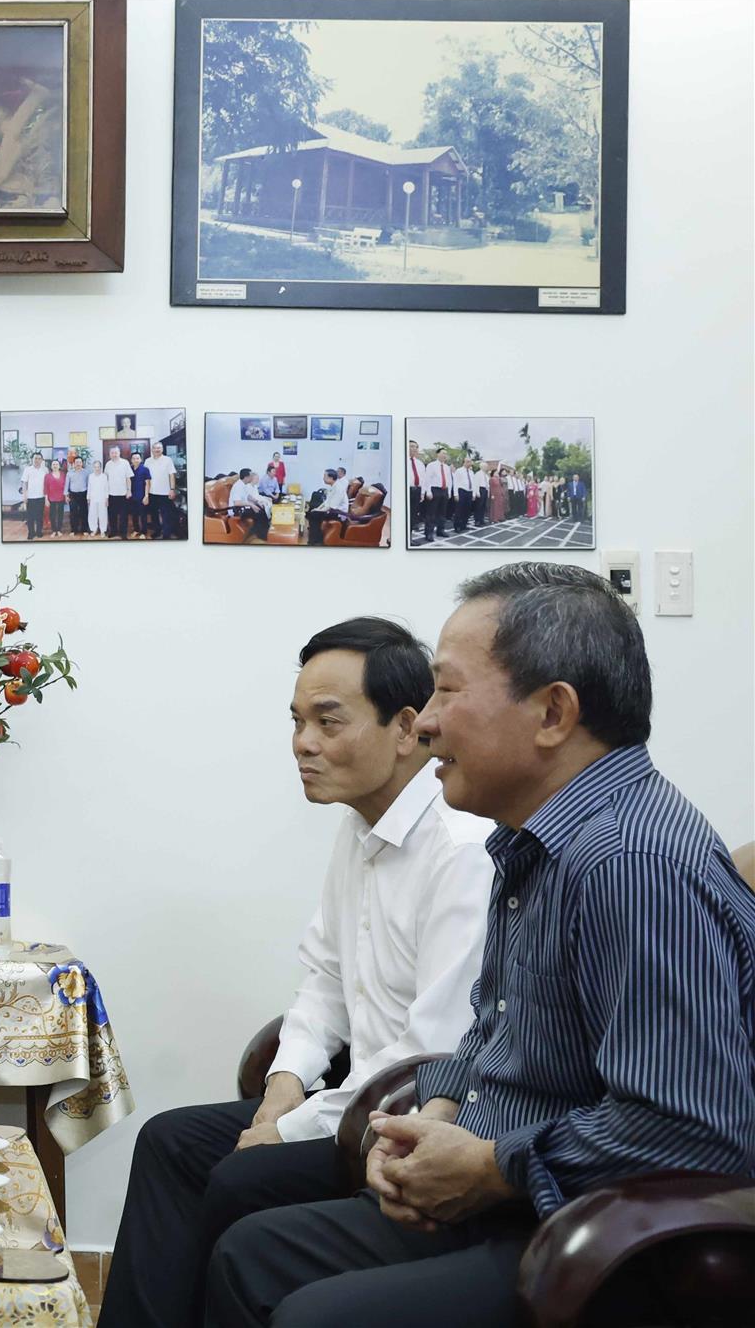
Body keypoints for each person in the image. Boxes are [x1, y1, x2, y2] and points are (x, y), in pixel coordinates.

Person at [206, 564, 755, 1328]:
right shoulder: (528, 839)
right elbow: (488, 1029)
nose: (424, 722)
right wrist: (428, 1126)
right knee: (249, 1251)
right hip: (504, 1190)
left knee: (312, 1313)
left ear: (552, 713)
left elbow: (689, 1126)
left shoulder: (629, 862)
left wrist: (493, 1168)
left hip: (583, 1232)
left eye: (447, 691)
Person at [104, 617, 492, 1328]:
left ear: (406, 728)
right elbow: (322, 987)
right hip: (348, 1105)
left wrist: (282, 1134)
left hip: (408, 1122)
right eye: (297, 721)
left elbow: (432, 1053)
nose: (303, 744)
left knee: (239, 1176)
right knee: (168, 1140)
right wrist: (278, 1100)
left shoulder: (462, 848)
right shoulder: (360, 828)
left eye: (328, 721)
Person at [226, 467, 272, 543]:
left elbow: (248, 496)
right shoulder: (238, 486)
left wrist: (257, 501)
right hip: (236, 510)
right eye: (251, 476)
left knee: (261, 508)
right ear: (246, 477)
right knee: (259, 513)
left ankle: (265, 532)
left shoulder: (244, 484)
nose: (252, 477)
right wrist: (252, 505)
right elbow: (237, 503)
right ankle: (263, 535)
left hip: (242, 507)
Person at [305, 469, 347, 545]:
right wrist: (318, 509)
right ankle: (316, 537)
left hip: (338, 513)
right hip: (332, 510)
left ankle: (315, 540)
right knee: (312, 512)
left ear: (331, 478)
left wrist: (317, 511)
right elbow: (326, 502)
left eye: (325, 476)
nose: (323, 478)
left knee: (313, 515)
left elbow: (331, 507)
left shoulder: (338, 488)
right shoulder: (333, 486)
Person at [148, 442, 178, 539]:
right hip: (151, 492)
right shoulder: (148, 461)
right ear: (152, 449)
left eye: (159, 448)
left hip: (165, 492)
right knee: (154, 514)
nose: (157, 450)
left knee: (166, 515)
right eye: (155, 448)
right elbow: (146, 478)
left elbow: (172, 475)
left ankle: (166, 534)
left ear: (162, 449)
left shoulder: (168, 460)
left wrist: (172, 489)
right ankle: (157, 530)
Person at [106, 448, 133, 540]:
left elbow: (128, 478)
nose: (114, 454)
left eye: (116, 452)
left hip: (123, 494)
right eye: (112, 453)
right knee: (112, 515)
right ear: (110, 454)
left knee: (123, 515)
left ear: (119, 453)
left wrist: (129, 490)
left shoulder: (125, 463)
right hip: (111, 494)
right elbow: (106, 479)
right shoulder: (108, 464)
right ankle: (113, 531)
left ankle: (123, 533)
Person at [405, 441, 426, 542]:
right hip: (405, 491)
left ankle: (409, 538)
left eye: (416, 447)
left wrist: (422, 493)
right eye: (411, 446)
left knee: (412, 515)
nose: (414, 449)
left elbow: (423, 479)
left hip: (416, 491)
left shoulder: (420, 463)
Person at [67, 456, 90, 535]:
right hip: (73, 495)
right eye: (76, 462)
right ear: (74, 464)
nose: (78, 464)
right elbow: (66, 485)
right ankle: (74, 530)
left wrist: (88, 496)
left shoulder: (86, 472)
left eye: (80, 462)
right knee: (73, 513)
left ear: (82, 463)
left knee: (84, 512)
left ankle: (85, 529)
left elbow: (89, 485)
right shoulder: (69, 473)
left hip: (83, 494)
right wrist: (66, 496)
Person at [86, 459, 109, 538]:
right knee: (92, 514)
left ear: (101, 467)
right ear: (93, 467)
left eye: (98, 467)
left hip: (102, 498)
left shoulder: (104, 476)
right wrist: (88, 498)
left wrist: (107, 498)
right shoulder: (91, 476)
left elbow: (106, 488)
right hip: (93, 498)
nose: (97, 468)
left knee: (103, 514)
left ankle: (103, 530)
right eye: (95, 467)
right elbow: (89, 487)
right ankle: (94, 529)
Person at [43, 461, 66, 536]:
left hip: (61, 497)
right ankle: (54, 530)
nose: (55, 466)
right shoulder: (47, 476)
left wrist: (66, 496)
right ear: (51, 466)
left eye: (56, 464)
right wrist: (46, 499)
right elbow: (45, 488)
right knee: (52, 515)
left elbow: (66, 486)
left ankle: (59, 530)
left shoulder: (63, 475)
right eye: (53, 464)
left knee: (60, 514)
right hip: (51, 498)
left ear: (59, 466)